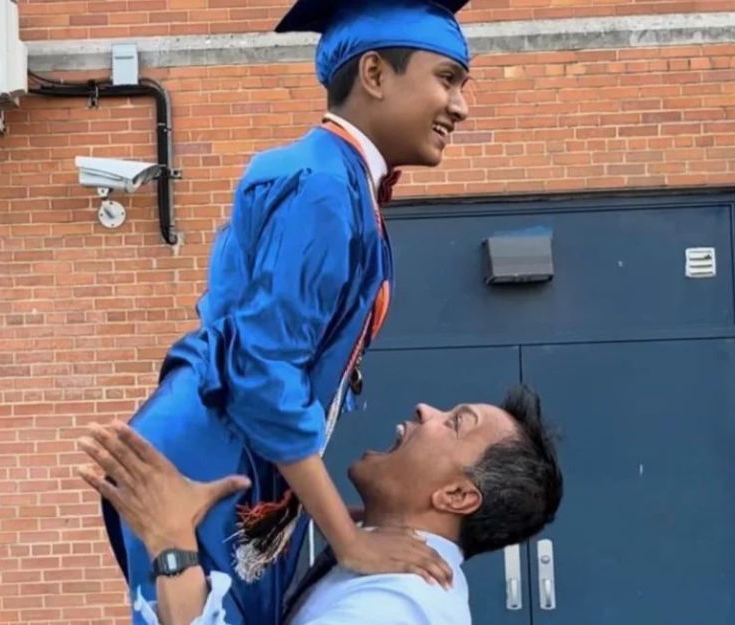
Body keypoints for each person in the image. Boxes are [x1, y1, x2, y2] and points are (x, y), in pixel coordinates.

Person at [98, 1, 473, 624]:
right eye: (448, 79)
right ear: (375, 75)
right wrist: (348, 541)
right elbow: (264, 373)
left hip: (246, 453)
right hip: (213, 458)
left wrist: (329, 512)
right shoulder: (320, 185)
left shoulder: (340, 181)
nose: (460, 106)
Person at [78, 386, 563, 625]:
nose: (425, 411)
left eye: (456, 423)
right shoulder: (386, 567)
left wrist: (172, 545)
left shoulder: (396, 610)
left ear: (457, 496)